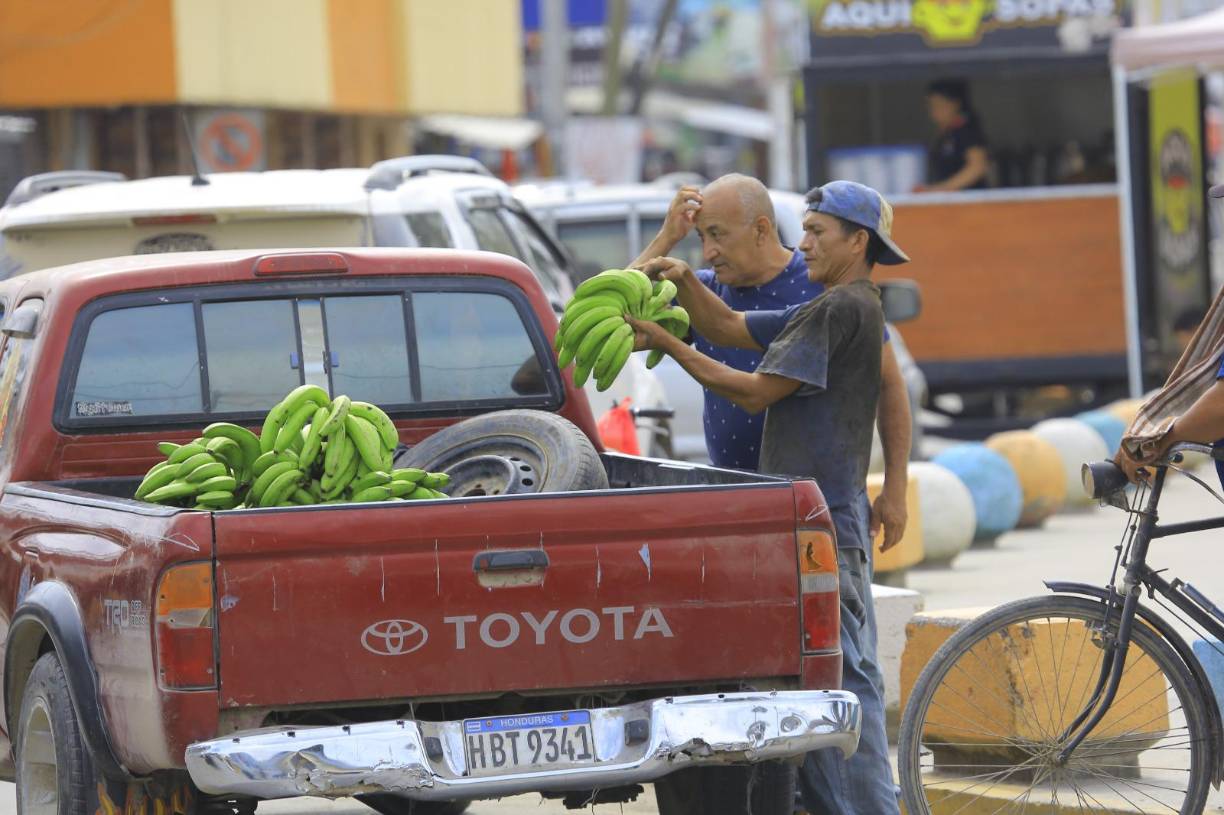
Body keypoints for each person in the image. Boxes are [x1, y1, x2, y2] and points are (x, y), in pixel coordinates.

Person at [628, 179, 909, 815]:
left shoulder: (838, 307)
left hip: (823, 518)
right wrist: (673, 251)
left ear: (856, 241)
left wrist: (672, 343)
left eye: (815, 232)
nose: (802, 240)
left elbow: (756, 391)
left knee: (847, 678)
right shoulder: (828, 303)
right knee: (804, 677)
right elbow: (722, 323)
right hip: (766, 517)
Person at [632, 175, 912, 550]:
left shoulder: (831, 298)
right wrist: (667, 239)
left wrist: (896, 488)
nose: (709, 251)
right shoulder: (708, 291)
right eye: (701, 238)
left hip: (819, 511)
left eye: (717, 234)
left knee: (831, 607)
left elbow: (755, 393)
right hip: (743, 502)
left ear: (761, 229)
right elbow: (724, 324)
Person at [916, 79, 989, 192]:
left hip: (970, 202)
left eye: (940, 106)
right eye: (932, 106)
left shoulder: (967, 130)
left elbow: (977, 167)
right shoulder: (946, 135)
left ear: (955, 104)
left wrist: (940, 189)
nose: (934, 112)